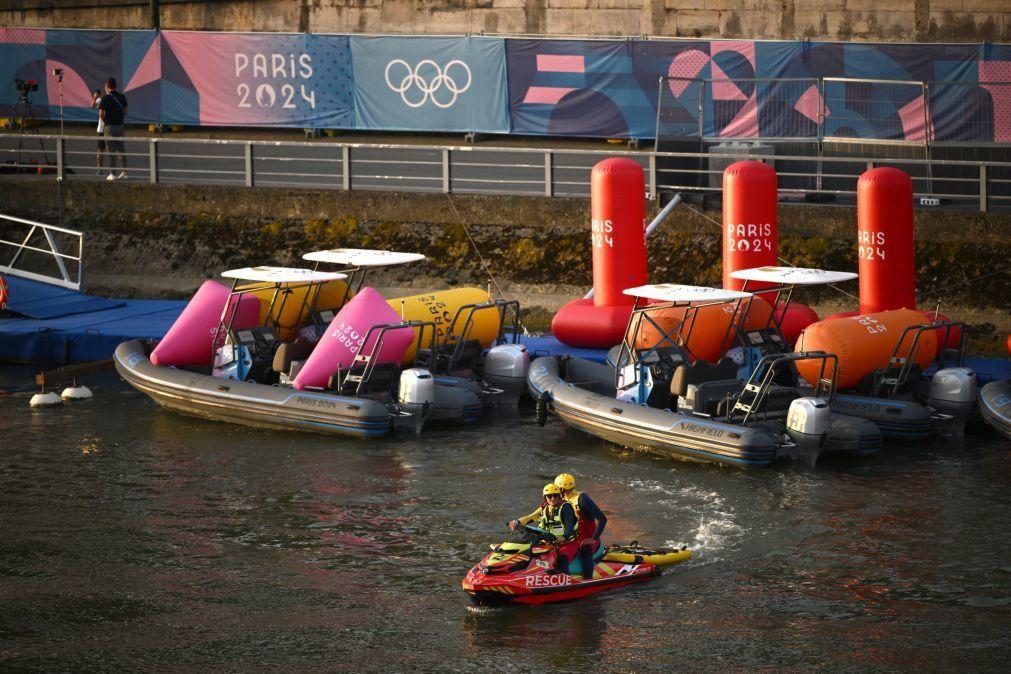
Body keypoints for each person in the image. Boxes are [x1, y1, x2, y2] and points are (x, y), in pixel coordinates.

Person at [508, 483, 578, 574]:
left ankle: (566, 581)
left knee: (561, 558)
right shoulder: (544, 507)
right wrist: (517, 522)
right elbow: (530, 517)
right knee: (528, 553)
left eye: (555, 496)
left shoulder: (566, 508)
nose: (552, 499)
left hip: (567, 542)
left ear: (559, 496)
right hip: (548, 542)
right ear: (545, 497)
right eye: (549, 496)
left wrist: (564, 537)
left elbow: (570, 528)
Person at [554, 472, 607, 580]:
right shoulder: (559, 500)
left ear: (562, 490)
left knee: (585, 549)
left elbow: (602, 519)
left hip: (587, 538)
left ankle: (588, 579)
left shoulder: (582, 499)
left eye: (557, 489)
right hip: (573, 538)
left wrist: (593, 538)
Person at [98, 77, 128, 180]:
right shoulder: (122, 97)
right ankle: (125, 172)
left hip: (109, 127)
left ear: (107, 86)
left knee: (111, 150)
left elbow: (101, 113)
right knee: (121, 149)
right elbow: (126, 111)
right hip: (120, 126)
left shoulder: (105, 98)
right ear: (115, 85)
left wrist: (106, 121)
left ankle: (112, 174)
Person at [90, 88, 106, 175]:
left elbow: (92, 106)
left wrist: (95, 98)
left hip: (107, 128)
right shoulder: (100, 100)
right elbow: (92, 105)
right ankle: (100, 170)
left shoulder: (102, 99)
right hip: (102, 129)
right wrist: (95, 98)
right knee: (100, 150)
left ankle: (115, 171)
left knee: (110, 150)